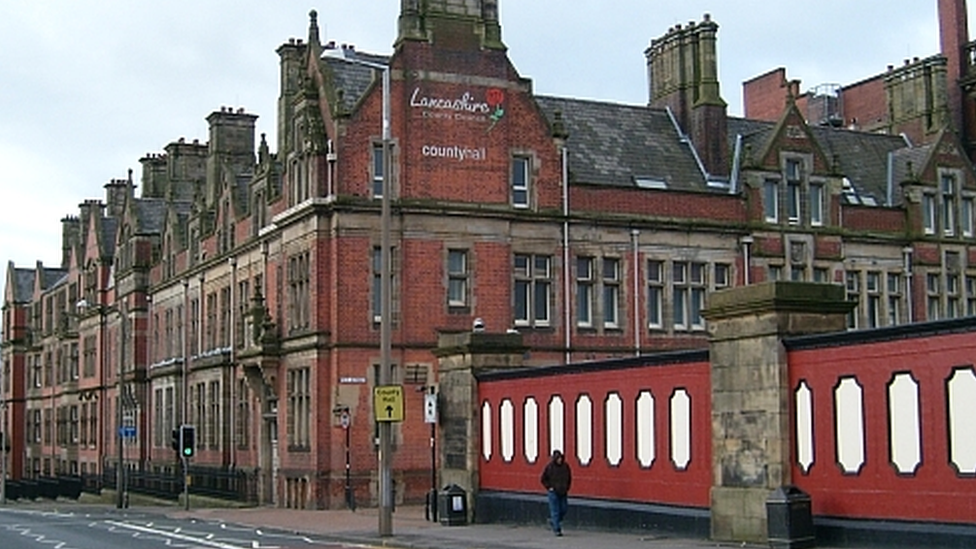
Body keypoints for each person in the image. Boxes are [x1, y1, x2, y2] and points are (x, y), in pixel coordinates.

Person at [540, 449, 572, 536]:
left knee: (564, 509)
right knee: (555, 510)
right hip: (553, 492)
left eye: (560, 458)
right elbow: (543, 479)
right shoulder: (549, 467)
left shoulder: (565, 467)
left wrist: (567, 487)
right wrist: (549, 487)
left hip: (563, 491)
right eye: (558, 458)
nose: (560, 460)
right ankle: (557, 529)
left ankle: (554, 521)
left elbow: (569, 478)